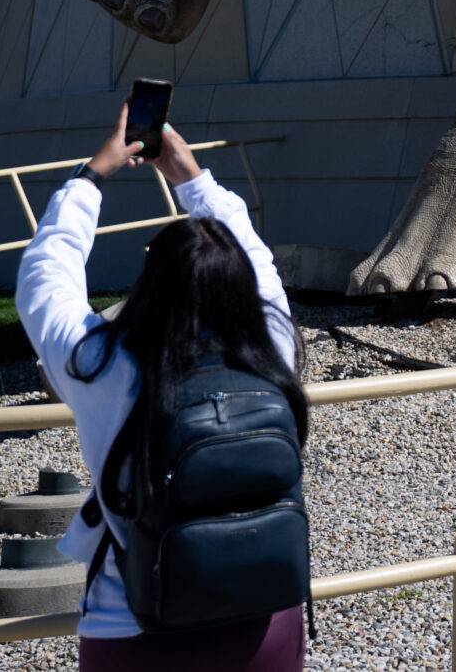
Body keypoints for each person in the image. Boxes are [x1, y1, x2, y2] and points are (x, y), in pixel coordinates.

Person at [17, 104, 306, 670]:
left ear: (149, 282)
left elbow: (45, 277)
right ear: (239, 286)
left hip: (135, 630)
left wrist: (91, 176)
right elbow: (256, 257)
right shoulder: (274, 347)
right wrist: (192, 178)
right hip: (267, 621)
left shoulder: (104, 364)